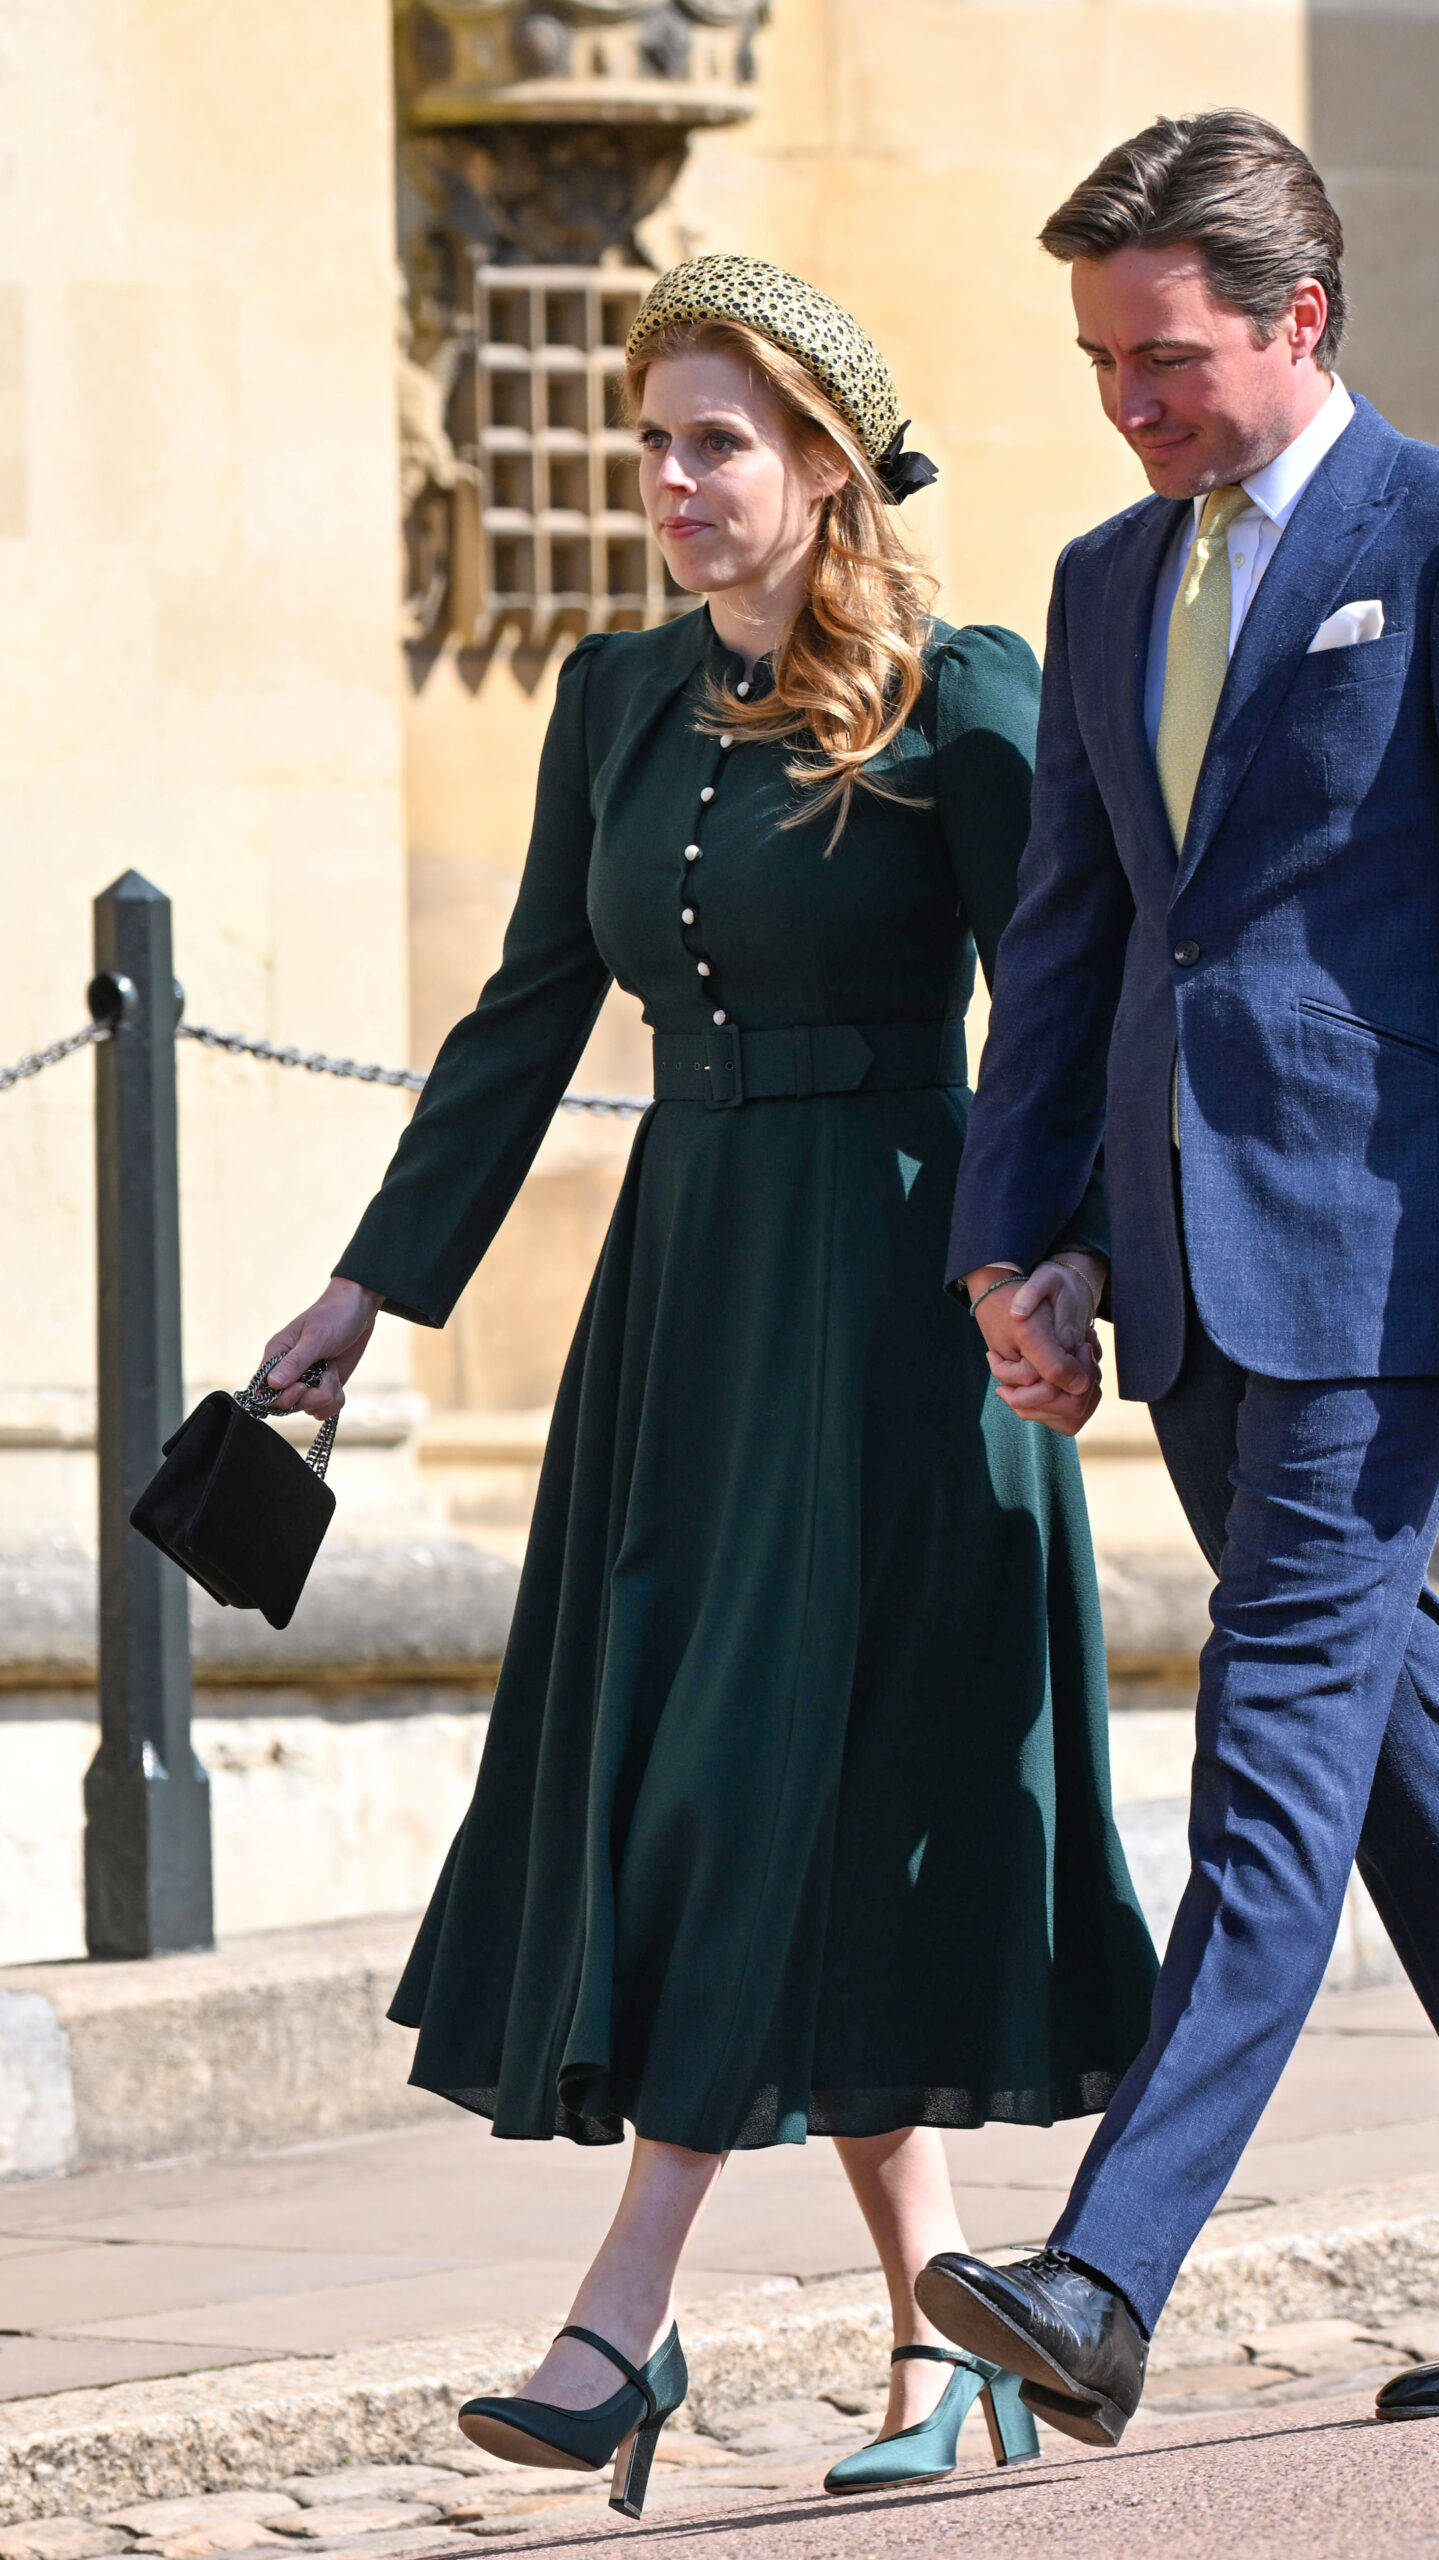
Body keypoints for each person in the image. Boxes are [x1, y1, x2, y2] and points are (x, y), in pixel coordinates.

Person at [260, 255, 1156, 2518]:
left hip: (895, 1298)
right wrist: (371, 1288)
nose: (666, 480)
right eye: (648, 439)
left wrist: (1068, 1265)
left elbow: (1070, 1005)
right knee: (751, 1781)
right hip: (684, 1298)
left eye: (710, 442)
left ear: (824, 463)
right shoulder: (616, 696)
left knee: (754, 1784)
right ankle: (933, 2335)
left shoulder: (962, 695)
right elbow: (526, 1007)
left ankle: (615, 2315)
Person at [917, 112, 1439, 2444]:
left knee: (1263, 1767)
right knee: (1387, 1753)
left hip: (1383, 1269)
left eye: (1160, 358)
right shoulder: (1092, 580)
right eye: (1097, 363)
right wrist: (1014, 1237)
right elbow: (1068, 937)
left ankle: (1104, 2267)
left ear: (1296, 321)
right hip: (1175, 1262)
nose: (1125, 404)